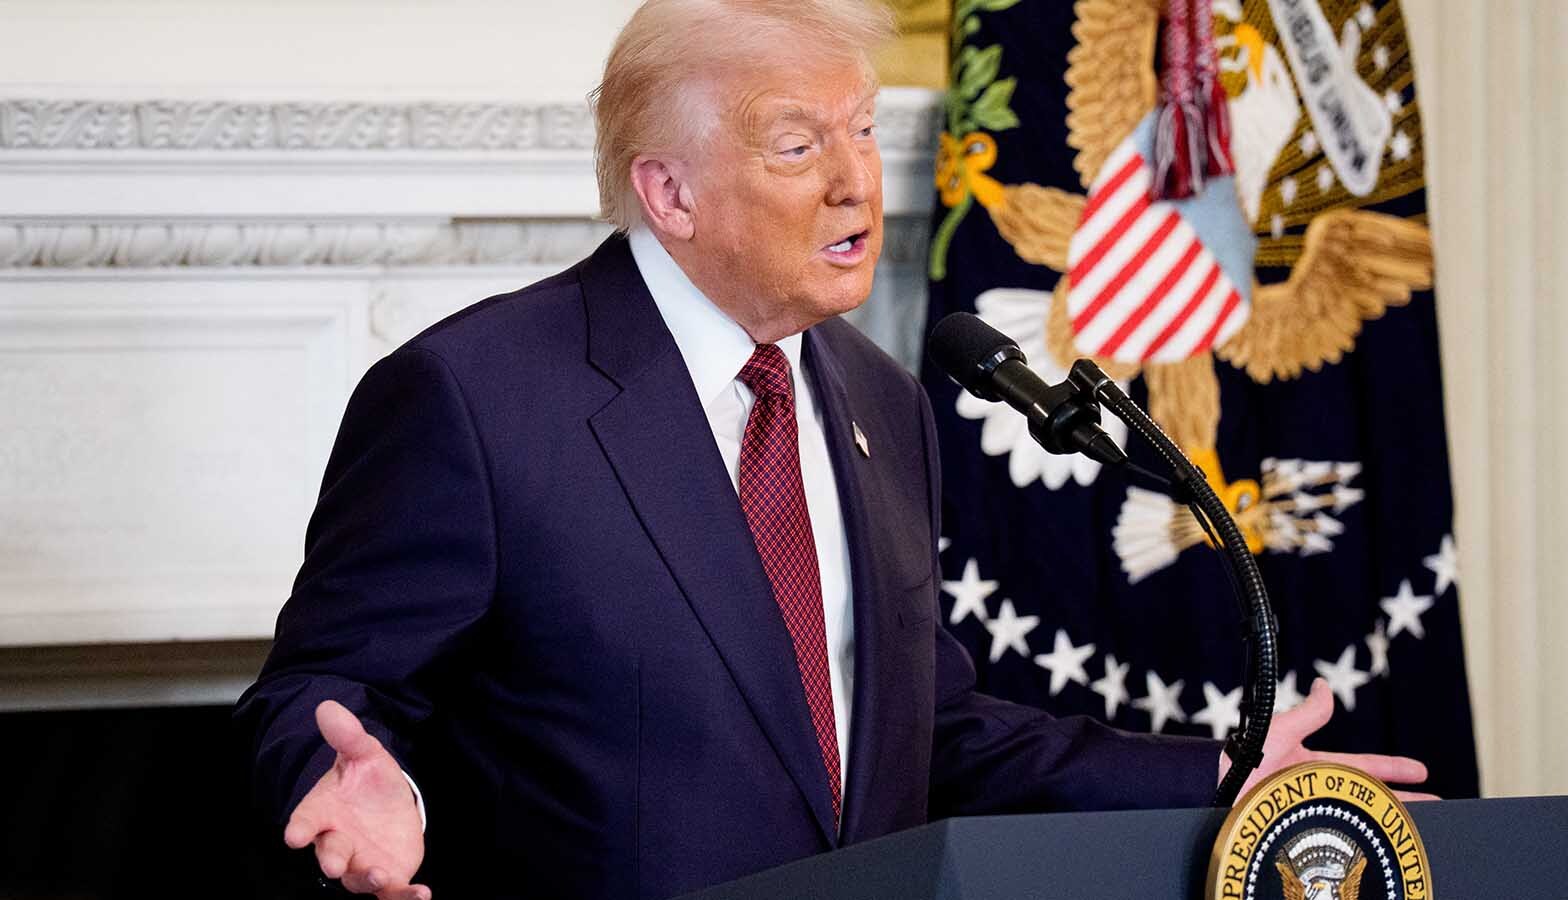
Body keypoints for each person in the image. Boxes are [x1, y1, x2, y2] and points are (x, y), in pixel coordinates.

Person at [234, 2, 1431, 899]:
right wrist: (346, 778)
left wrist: (1214, 773)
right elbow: (319, 692)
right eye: (798, 146)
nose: (857, 178)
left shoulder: (881, 396)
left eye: (859, 129)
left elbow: (926, 724)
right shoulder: (473, 397)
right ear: (670, 191)